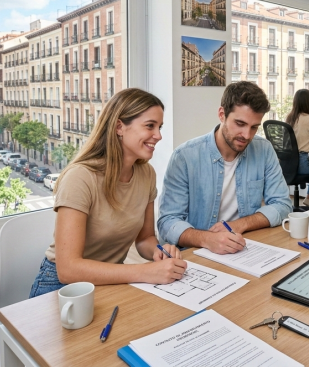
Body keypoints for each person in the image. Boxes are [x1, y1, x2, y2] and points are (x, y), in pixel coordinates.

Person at [29, 89, 186, 298]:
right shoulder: (80, 177)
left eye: (159, 127)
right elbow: (68, 270)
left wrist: (159, 251)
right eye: (150, 126)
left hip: (111, 281)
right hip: (61, 287)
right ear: (120, 127)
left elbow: (144, 238)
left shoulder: (147, 174)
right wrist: (145, 272)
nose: (158, 135)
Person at [158, 81, 292, 254]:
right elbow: (167, 221)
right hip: (197, 253)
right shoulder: (184, 157)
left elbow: (282, 204)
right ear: (222, 114)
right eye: (240, 124)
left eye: (254, 127)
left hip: (245, 248)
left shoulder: (264, 149)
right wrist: (207, 239)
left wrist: (237, 225)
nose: (247, 135)